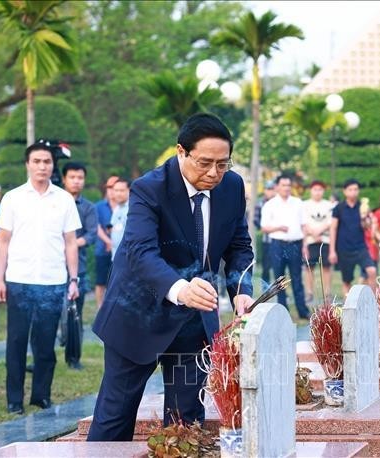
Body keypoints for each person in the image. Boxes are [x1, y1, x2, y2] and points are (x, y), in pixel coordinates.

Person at [87, 113, 254, 441]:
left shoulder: (232, 186)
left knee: (185, 423)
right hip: (138, 314)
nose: (213, 173)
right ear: (181, 152)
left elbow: (239, 245)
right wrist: (179, 288)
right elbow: (140, 251)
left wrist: (241, 290)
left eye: (223, 164)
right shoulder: (150, 188)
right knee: (115, 417)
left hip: (194, 321)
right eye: (205, 162)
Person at [0, 140, 81, 415]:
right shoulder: (13, 198)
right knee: (17, 342)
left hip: (53, 281)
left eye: (47, 161)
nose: (42, 166)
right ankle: (14, 400)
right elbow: (2, 242)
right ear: (27, 165)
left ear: (53, 165)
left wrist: (74, 279)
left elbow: (70, 243)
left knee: (45, 344)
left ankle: (41, 396)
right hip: (19, 279)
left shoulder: (64, 199)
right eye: (36, 161)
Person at [62, 162, 98, 369]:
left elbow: (92, 234)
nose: (76, 181)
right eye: (72, 177)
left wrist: (72, 244)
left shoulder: (88, 208)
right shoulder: (54, 203)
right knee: (47, 313)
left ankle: (74, 358)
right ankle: (44, 356)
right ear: (64, 179)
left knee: (75, 314)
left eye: (80, 177)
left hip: (79, 268)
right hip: (53, 267)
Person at [261, 174, 309, 319]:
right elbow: (264, 227)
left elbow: (304, 225)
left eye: (288, 185)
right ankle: (283, 310)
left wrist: (305, 245)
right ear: (277, 187)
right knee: (279, 279)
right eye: (283, 185)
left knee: (297, 278)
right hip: (277, 245)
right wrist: (278, 228)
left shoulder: (298, 203)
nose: (286, 188)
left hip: (295, 244)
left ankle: (303, 311)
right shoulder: (270, 204)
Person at [329, 179, 377, 295]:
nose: (353, 192)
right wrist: (332, 251)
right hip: (344, 248)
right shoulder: (338, 208)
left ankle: (373, 302)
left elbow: (367, 227)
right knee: (347, 281)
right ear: (345, 191)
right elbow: (333, 228)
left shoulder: (362, 207)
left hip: (361, 247)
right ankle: (348, 309)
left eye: (355, 189)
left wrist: (365, 218)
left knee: (372, 270)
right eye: (350, 189)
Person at [302, 180, 333, 303]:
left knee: (326, 268)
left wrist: (319, 232)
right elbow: (303, 223)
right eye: (315, 189)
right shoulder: (305, 205)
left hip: (325, 240)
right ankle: (309, 293)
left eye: (320, 189)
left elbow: (330, 223)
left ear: (323, 191)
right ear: (311, 190)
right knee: (310, 268)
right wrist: (314, 234)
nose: (317, 192)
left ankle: (327, 293)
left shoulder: (329, 205)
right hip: (310, 241)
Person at [94, 175, 119, 308]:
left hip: (120, 252)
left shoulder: (125, 206)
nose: (111, 190)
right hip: (103, 250)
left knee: (116, 281)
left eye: (114, 187)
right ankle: (100, 309)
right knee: (101, 282)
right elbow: (96, 227)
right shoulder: (98, 206)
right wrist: (108, 241)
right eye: (109, 187)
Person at [254, 180, 276, 286]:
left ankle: (280, 290)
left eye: (272, 189)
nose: (270, 192)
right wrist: (266, 227)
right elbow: (256, 220)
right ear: (265, 191)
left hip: (279, 240)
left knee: (279, 267)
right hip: (267, 239)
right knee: (266, 267)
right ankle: (265, 289)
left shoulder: (279, 203)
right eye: (268, 189)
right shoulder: (260, 203)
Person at [109, 178, 130, 261]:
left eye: (122, 190)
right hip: (116, 256)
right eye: (116, 190)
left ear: (129, 190)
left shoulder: (133, 208)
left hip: (128, 258)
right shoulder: (117, 208)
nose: (118, 193)